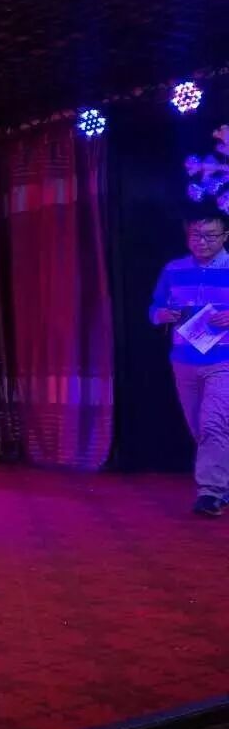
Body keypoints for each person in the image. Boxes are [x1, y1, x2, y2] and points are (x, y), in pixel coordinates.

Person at [151, 205, 229, 516]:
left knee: (212, 423)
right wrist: (161, 315)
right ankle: (222, 482)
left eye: (210, 235)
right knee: (200, 427)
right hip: (183, 360)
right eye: (196, 235)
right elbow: (154, 307)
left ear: (225, 236)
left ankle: (210, 493)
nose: (202, 241)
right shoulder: (174, 269)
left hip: (223, 360)